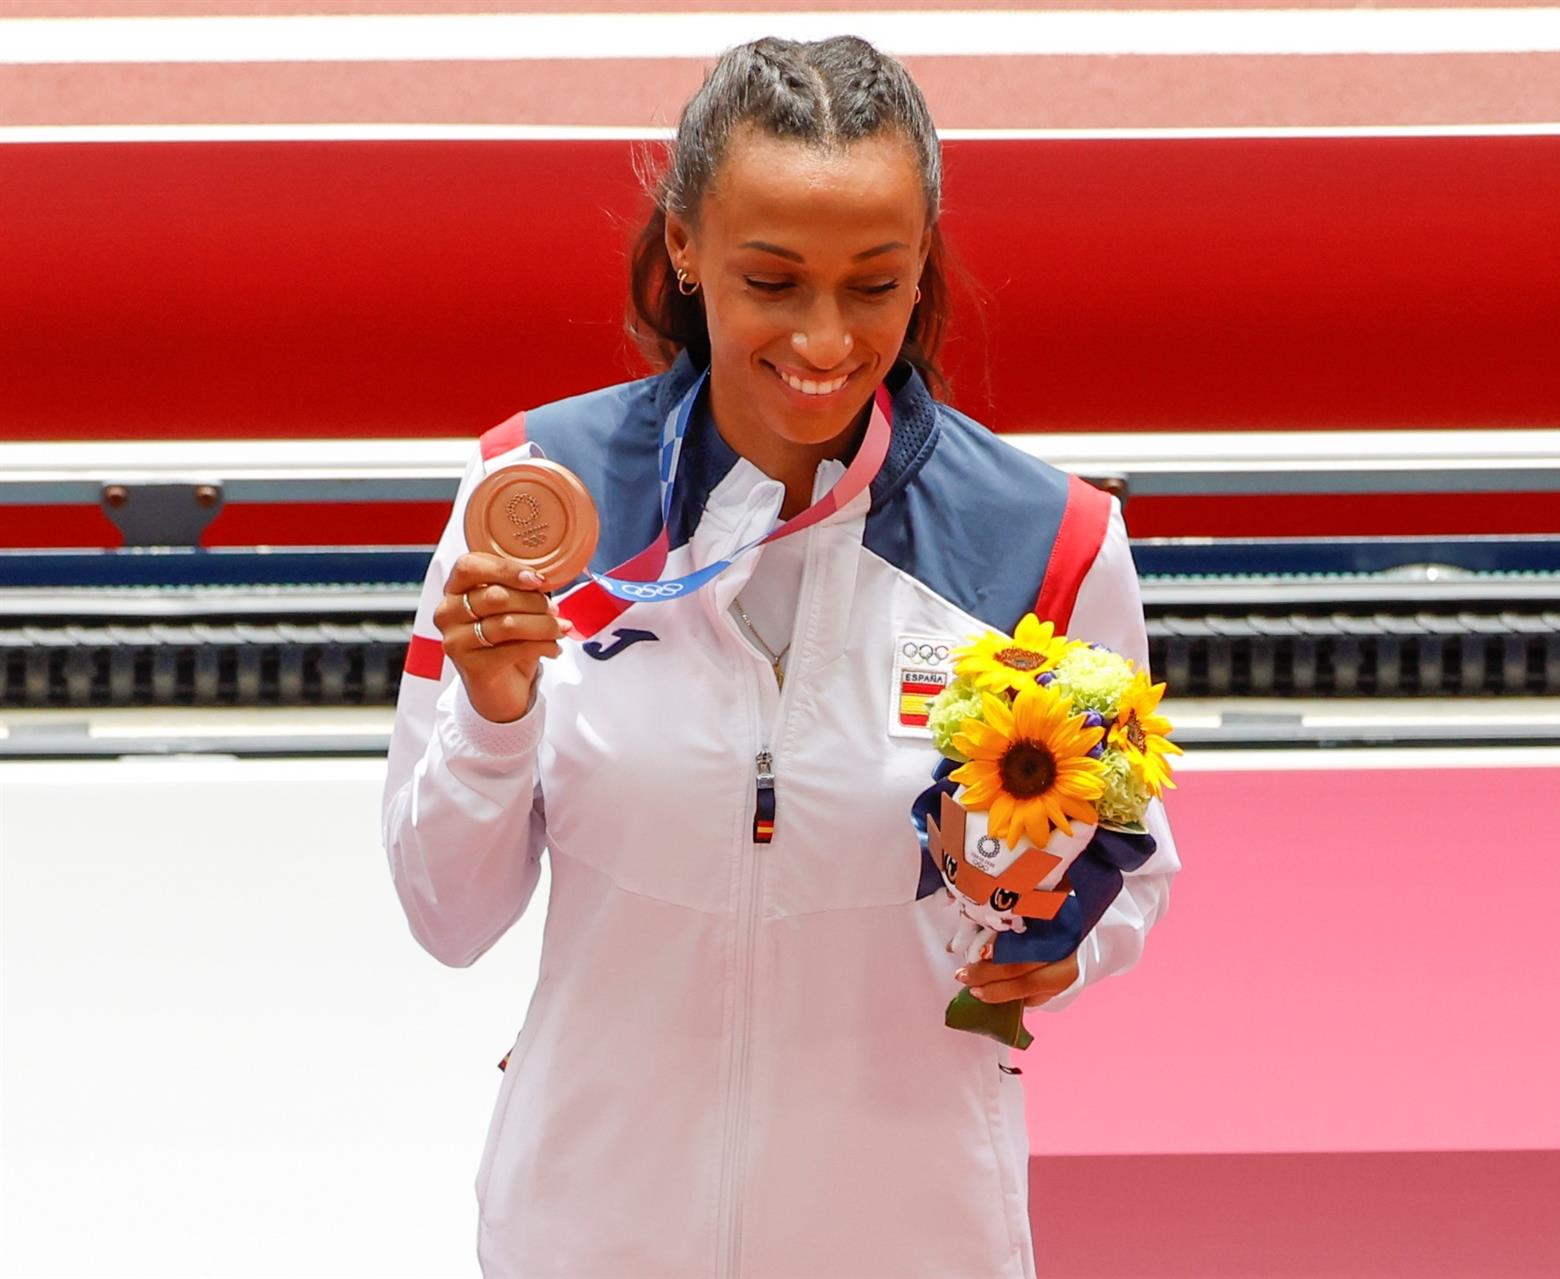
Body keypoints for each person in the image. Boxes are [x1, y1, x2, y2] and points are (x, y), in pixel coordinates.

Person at [381, 34, 1180, 1278]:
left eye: (874, 283)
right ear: (686, 248)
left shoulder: (1049, 543)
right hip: (592, 1226)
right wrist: (492, 718)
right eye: (773, 279)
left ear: (924, 263)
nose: (824, 338)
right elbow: (446, 913)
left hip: (911, 1234)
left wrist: (1056, 946)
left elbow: (1128, 872)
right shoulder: (529, 498)